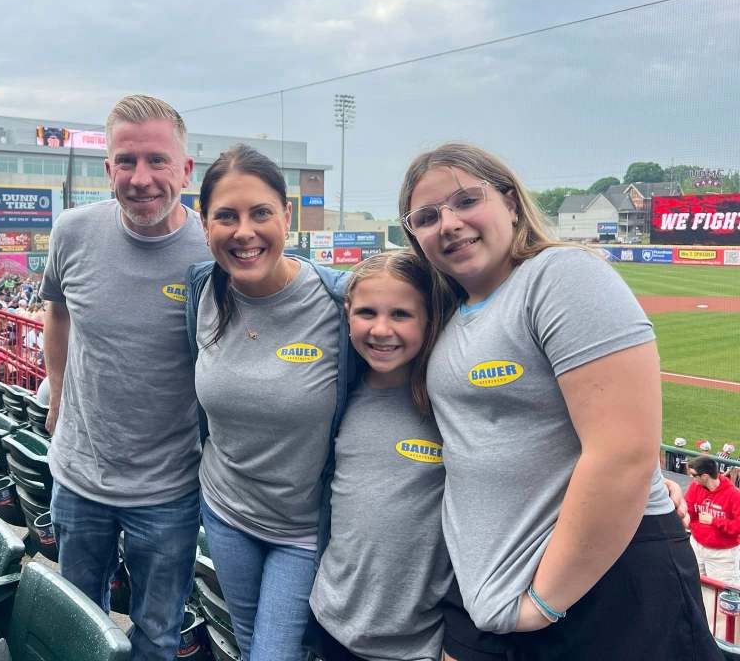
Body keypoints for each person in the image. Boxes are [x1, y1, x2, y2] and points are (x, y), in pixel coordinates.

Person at [398, 143, 717, 660]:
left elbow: (623, 455)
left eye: (465, 201)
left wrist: (544, 602)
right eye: (428, 216)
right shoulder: (448, 314)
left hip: (597, 578)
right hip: (496, 582)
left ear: (509, 201)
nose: (449, 223)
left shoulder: (560, 275)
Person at [40, 94, 209, 661]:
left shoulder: (215, 251)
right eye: (127, 162)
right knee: (77, 628)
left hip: (170, 487)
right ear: (107, 168)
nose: (142, 179)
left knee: (158, 637)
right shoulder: (72, 231)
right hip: (81, 475)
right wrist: (57, 390)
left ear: (185, 169)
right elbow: (58, 309)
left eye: (158, 161)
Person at [184, 145, 351, 661]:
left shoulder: (340, 300)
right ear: (205, 224)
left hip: (302, 530)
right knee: (251, 643)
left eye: (260, 213)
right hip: (225, 510)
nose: (244, 232)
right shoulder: (201, 290)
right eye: (226, 217)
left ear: (286, 216)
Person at [307, 251, 450, 661]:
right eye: (367, 312)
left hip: (421, 643)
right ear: (348, 313)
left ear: (429, 318)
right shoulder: (337, 396)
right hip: (334, 625)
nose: (381, 329)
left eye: (401, 315)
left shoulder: (449, 407)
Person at [686, 454, 740, 617]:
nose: (691, 478)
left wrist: (714, 521)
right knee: (695, 587)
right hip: (697, 545)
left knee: (723, 599)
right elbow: (688, 510)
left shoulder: (733, 495)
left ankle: (721, 638)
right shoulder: (695, 488)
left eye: (693, 475)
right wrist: (696, 529)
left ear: (705, 476)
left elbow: (737, 527)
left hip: (722, 554)